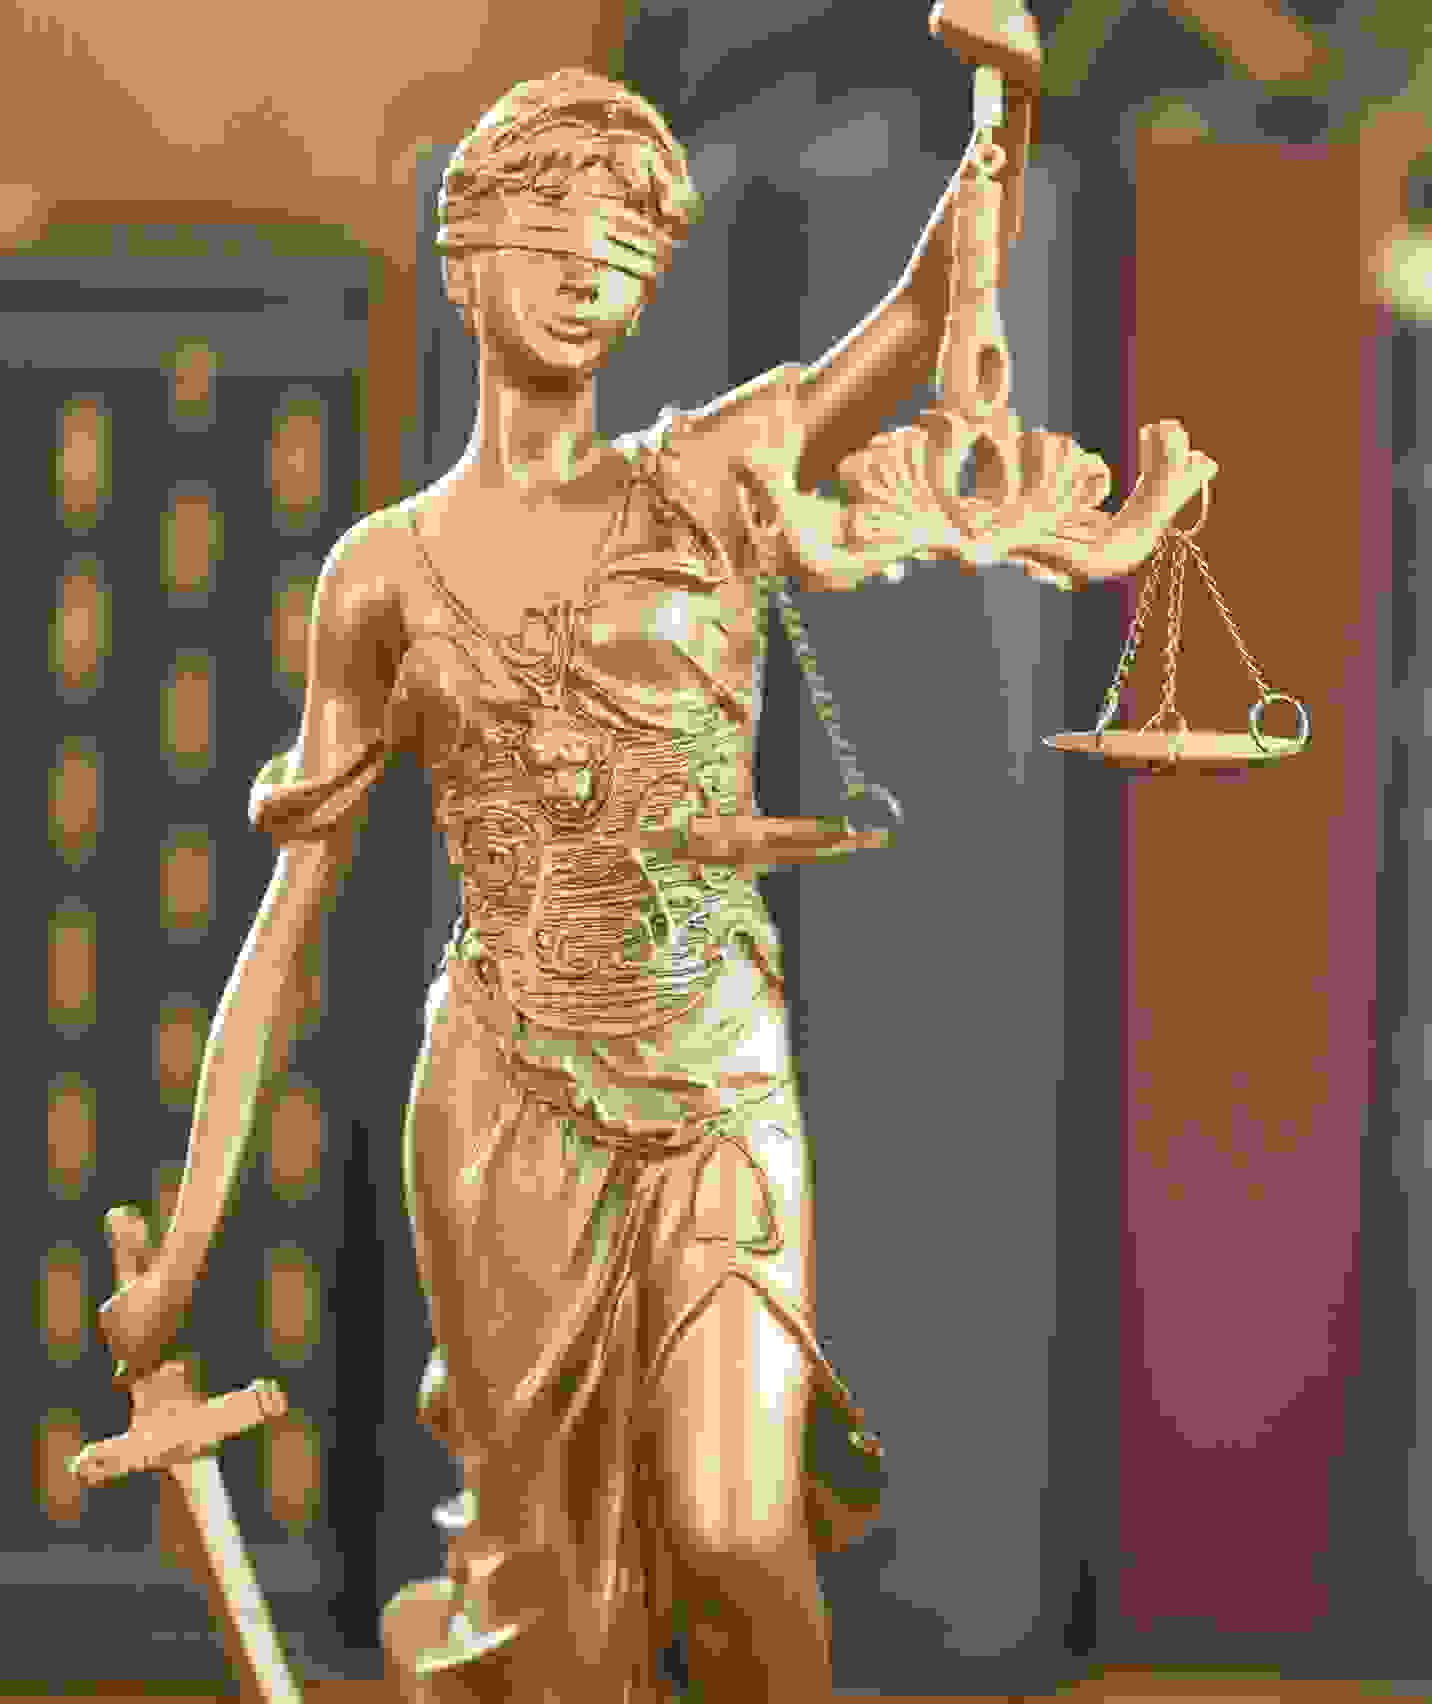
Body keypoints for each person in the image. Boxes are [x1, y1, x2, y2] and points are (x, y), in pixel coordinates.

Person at [94, 66, 1029, 1704]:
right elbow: (286, 931)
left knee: (736, 1526)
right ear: (467, 258)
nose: (595, 274)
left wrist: (996, 114)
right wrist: (182, 1247)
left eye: (630, 252)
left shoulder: (710, 476)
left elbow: (921, 314)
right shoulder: (383, 572)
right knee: (563, 1627)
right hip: (505, 1094)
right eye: (556, 236)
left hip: (714, 1072)